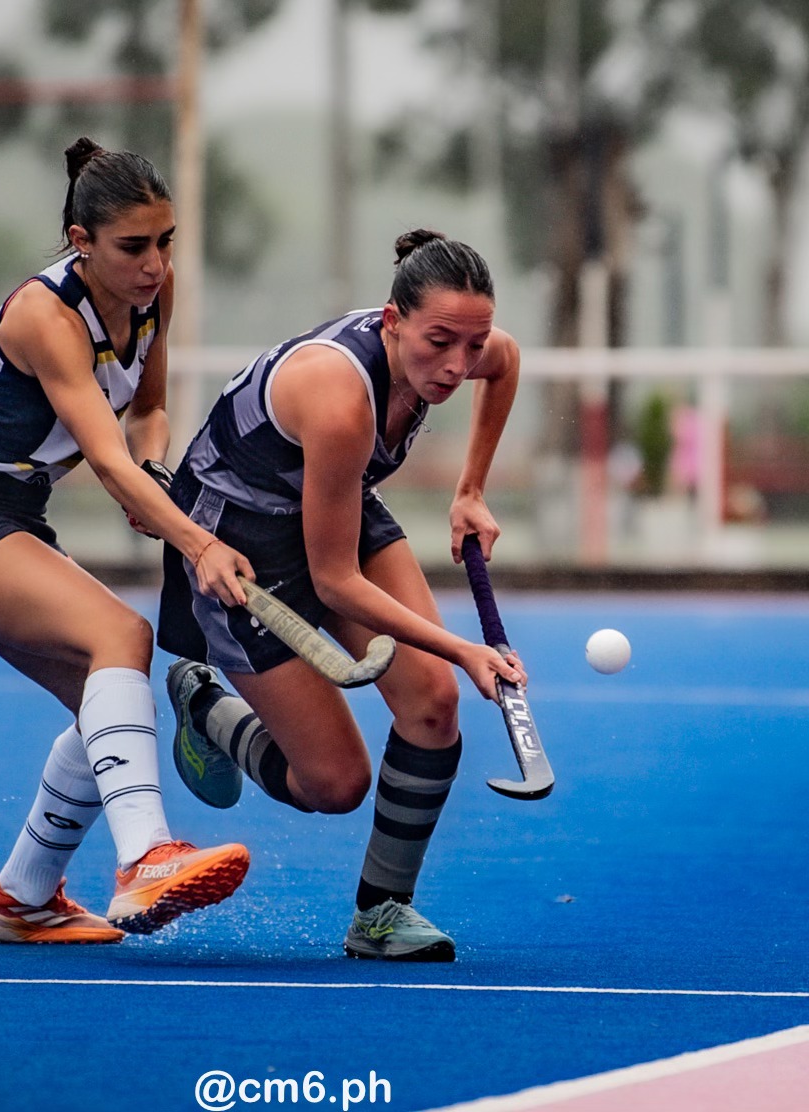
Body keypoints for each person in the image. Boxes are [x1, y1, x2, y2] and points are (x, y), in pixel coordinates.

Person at [0, 137, 254, 944]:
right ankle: (146, 858)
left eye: (165, 242)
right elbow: (102, 455)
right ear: (81, 242)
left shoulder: (152, 296)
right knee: (121, 635)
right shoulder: (45, 317)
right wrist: (197, 540)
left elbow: (144, 417)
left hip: (14, 516)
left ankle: (19, 896)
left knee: (103, 705)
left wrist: (152, 470)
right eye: (133, 247)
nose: (155, 263)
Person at [158, 229, 526, 962]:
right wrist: (461, 648)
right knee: (334, 784)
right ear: (393, 323)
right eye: (438, 342)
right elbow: (335, 585)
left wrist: (471, 490)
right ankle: (203, 704)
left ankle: (381, 914)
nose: (456, 365)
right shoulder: (339, 401)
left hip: (332, 501)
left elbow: (505, 363)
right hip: (237, 542)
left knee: (433, 704)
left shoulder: (467, 351)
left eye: (469, 343)